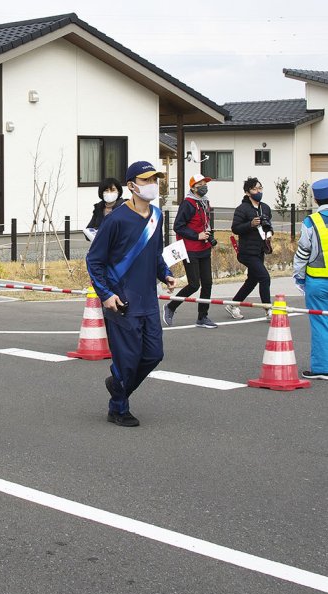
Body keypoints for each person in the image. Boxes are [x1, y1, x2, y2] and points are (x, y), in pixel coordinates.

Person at [86, 160, 175, 427]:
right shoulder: (116, 220)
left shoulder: (157, 216)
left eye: (154, 180)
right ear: (132, 186)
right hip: (121, 300)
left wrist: (165, 273)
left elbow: (155, 252)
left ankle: (117, 386)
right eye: (146, 180)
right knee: (127, 359)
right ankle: (118, 407)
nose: (151, 185)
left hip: (147, 298)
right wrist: (105, 294)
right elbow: (94, 260)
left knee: (153, 354)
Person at [163, 173, 217, 330]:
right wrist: (196, 235)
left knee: (207, 283)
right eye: (200, 184)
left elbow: (205, 223)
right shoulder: (187, 203)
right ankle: (171, 307)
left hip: (204, 247)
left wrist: (209, 236)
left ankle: (202, 316)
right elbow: (178, 226)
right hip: (190, 249)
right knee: (194, 284)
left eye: (205, 183)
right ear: (193, 187)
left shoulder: (205, 202)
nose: (204, 186)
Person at [293, 177, 328, 380]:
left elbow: (303, 253)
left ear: (315, 200)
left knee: (320, 322)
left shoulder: (311, 222)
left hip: (317, 282)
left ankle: (322, 368)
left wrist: (298, 277)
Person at [225, 177, 273, 319]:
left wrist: (269, 234)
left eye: (260, 188)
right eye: (254, 189)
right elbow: (235, 228)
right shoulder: (242, 209)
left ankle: (233, 304)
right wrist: (250, 224)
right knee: (264, 277)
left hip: (260, 249)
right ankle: (268, 309)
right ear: (247, 192)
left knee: (253, 280)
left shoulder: (265, 207)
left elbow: (269, 226)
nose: (258, 191)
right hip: (247, 251)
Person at [83, 176, 125, 242]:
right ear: (101, 193)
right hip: (100, 248)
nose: (109, 193)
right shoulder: (98, 208)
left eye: (113, 190)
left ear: (118, 191)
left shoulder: (124, 208)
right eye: (106, 190)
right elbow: (88, 231)